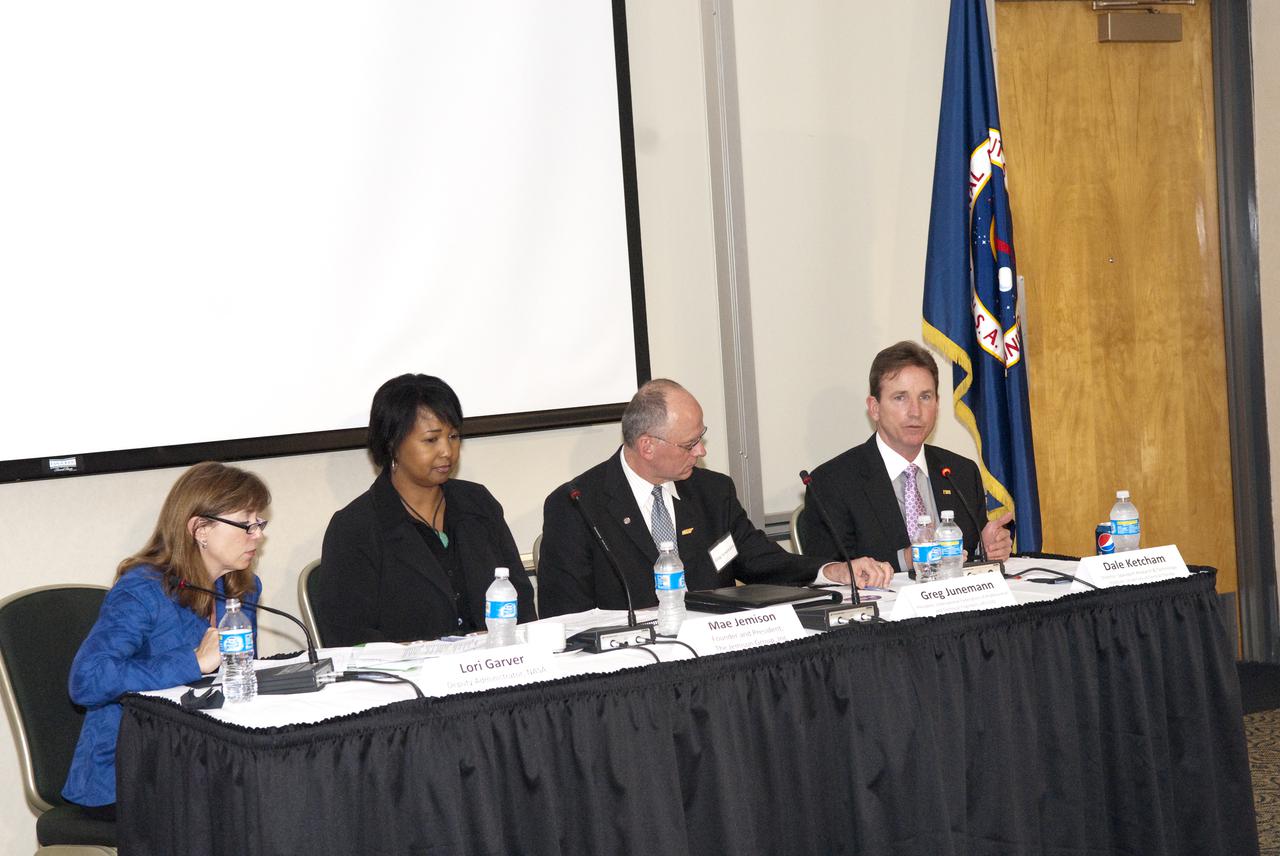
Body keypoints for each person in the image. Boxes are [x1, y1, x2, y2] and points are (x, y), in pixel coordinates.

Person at [537, 379, 892, 617]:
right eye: (690, 444)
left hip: (720, 657)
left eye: (700, 437)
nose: (701, 450)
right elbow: (565, 616)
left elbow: (758, 559)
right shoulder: (578, 506)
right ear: (647, 446)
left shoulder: (712, 492)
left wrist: (830, 570)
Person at [62, 461, 270, 817]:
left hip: (206, 759)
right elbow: (87, 680)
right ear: (199, 528)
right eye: (246, 524)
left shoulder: (241, 589)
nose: (258, 535)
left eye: (260, 524)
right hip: (128, 774)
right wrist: (194, 662)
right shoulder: (142, 591)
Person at [315, 374, 535, 646]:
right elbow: (348, 637)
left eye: (453, 436)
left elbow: (521, 603)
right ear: (392, 444)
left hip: (494, 671)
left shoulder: (478, 503)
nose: (447, 451)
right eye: (431, 440)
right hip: (407, 683)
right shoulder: (355, 527)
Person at [798, 341, 1014, 578]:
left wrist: (985, 547)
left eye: (925, 397)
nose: (915, 411)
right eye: (900, 398)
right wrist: (908, 558)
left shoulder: (960, 472)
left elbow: (966, 553)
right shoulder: (832, 482)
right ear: (874, 408)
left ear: (937, 404)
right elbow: (829, 571)